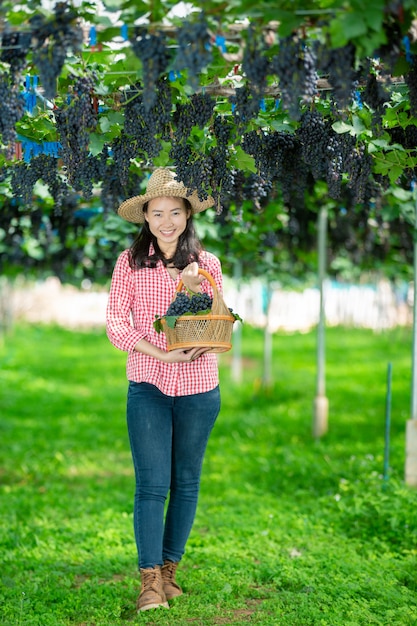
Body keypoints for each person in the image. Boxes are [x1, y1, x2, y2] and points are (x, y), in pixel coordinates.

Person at [106, 167, 223, 612]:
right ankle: (149, 582)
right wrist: (159, 355)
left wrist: (193, 292)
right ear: (146, 218)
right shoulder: (129, 263)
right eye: (158, 213)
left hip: (199, 386)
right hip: (149, 384)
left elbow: (211, 325)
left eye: (175, 212)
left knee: (187, 482)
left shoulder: (207, 263)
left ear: (188, 215)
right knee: (152, 485)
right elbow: (118, 322)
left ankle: (171, 572)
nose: (167, 221)